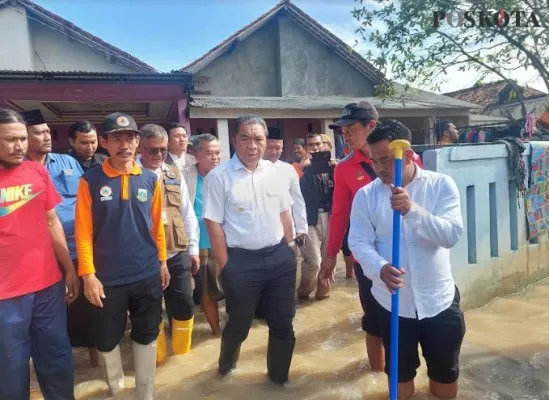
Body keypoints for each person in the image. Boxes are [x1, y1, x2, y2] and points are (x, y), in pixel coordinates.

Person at [348, 120, 465, 400]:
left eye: (386, 160)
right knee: (399, 381)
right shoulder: (367, 195)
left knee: (444, 380)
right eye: (374, 161)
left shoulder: (441, 186)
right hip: (393, 305)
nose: (379, 169)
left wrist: (412, 211)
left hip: (439, 301)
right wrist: (379, 268)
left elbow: (450, 235)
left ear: (408, 154)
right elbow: (359, 242)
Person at [75, 112, 169, 400]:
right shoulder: (90, 181)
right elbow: (83, 232)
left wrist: (163, 263)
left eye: (130, 138)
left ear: (138, 142)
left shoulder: (151, 179)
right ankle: (116, 390)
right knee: (106, 339)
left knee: (147, 333)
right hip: (107, 279)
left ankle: (145, 393)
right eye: (117, 138)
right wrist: (88, 275)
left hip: (146, 272)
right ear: (104, 142)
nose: (124, 144)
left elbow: (157, 227)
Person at [203, 114, 297, 384]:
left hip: (279, 258)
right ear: (234, 140)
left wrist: (290, 248)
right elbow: (213, 223)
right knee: (239, 325)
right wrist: (226, 266)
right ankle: (225, 370)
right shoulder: (219, 177)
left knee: (283, 323)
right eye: (245, 138)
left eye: (258, 138)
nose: (252, 145)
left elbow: (285, 212)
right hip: (240, 262)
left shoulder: (276, 173)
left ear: (266, 141)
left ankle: (278, 381)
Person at [0, 108, 79, 400]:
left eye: (22, 138)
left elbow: (51, 221)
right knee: (10, 372)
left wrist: (68, 268)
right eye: (10, 140)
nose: (19, 146)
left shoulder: (36, 170)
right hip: (5, 296)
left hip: (48, 286)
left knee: (57, 361)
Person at [21, 110, 98, 365]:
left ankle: (92, 362)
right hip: (42, 255)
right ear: (24, 136)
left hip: (78, 247)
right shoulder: (18, 170)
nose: (46, 137)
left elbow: (84, 202)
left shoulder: (68, 163)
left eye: (47, 132)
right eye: (38, 133)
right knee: (52, 314)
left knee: (87, 309)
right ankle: (58, 361)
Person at [318, 101, 385, 371]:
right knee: (373, 318)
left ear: (371, 126)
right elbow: (339, 215)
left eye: (351, 129)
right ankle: (378, 376)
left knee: (407, 318)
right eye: (343, 130)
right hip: (366, 256)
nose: (345, 135)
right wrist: (330, 254)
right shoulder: (345, 168)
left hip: (403, 253)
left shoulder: (403, 157)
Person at [137, 124, 200, 361]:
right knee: (149, 314)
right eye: (152, 150)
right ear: (140, 148)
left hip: (176, 253)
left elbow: (187, 213)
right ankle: (158, 361)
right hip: (145, 259)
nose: (158, 156)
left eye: (163, 150)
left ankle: (182, 361)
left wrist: (192, 249)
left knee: (184, 307)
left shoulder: (173, 173)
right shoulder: (131, 175)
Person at [182, 133, 223, 336]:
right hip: (202, 244)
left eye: (217, 153)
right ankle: (216, 332)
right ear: (196, 154)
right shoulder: (183, 176)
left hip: (228, 241)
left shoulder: (228, 175)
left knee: (234, 288)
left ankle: (235, 330)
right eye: (209, 153)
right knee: (207, 291)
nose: (215, 157)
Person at [297, 132, 334, 300]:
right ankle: (303, 293)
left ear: (324, 146)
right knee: (314, 263)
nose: (315, 148)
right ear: (305, 149)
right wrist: (302, 170)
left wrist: (335, 169)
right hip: (309, 219)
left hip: (331, 217)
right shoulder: (297, 169)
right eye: (310, 145)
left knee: (328, 262)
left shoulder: (333, 167)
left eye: (318, 144)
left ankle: (322, 294)